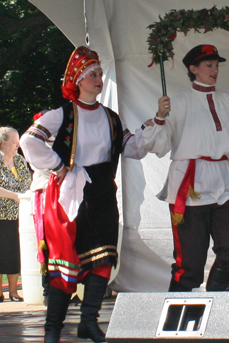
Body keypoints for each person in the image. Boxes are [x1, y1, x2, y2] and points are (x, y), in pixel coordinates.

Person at [20, 46, 149, 343]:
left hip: (103, 191)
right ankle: (53, 328)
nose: (98, 78)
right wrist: (58, 166)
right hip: (72, 197)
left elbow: (133, 148)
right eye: (92, 74)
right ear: (77, 79)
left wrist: (154, 124)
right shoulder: (62, 114)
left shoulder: (111, 117)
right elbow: (29, 141)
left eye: (100, 73)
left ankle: (89, 321)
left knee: (104, 258)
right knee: (67, 263)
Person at [141, 44, 229, 293]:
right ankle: (175, 319)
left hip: (222, 184)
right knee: (190, 261)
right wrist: (160, 116)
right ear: (193, 69)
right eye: (209, 65)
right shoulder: (178, 102)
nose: (215, 70)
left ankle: (216, 305)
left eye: (216, 65)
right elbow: (157, 145)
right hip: (189, 184)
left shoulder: (227, 101)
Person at [0, 127, 32, 303]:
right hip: (1, 215)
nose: (17, 146)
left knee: (14, 253)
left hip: (20, 215)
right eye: (14, 143)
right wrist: (15, 196)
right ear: (3, 143)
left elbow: (27, 183)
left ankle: (13, 292)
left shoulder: (20, 161)